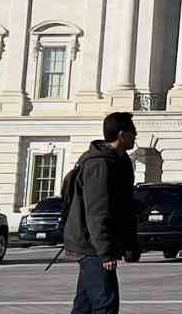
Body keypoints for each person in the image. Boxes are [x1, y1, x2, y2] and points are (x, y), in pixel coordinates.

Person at [62, 112, 137, 314]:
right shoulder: (99, 164)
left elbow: (123, 206)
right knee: (106, 305)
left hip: (95, 245)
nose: (136, 134)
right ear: (122, 135)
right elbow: (97, 211)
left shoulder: (120, 161)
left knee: (83, 307)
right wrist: (105, 252)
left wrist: (130, 243)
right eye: (133, 131)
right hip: (91, 246)